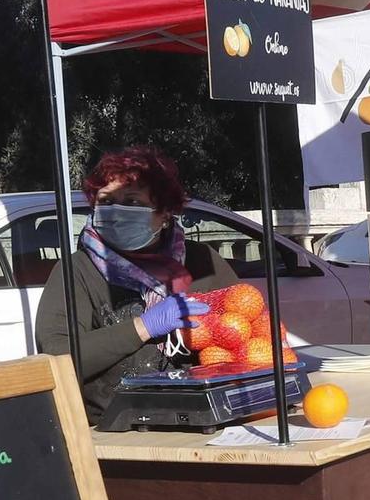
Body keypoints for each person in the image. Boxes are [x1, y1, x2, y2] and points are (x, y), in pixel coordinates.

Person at [36, 146, 239, 421]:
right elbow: (56, 357)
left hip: (204, 422)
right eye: (106, 201)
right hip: (114, 433)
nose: (117, 212)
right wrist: (142, 327)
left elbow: (245, 330)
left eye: (131, 202)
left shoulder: (202, 262)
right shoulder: (77, 270)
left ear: (164, 212)